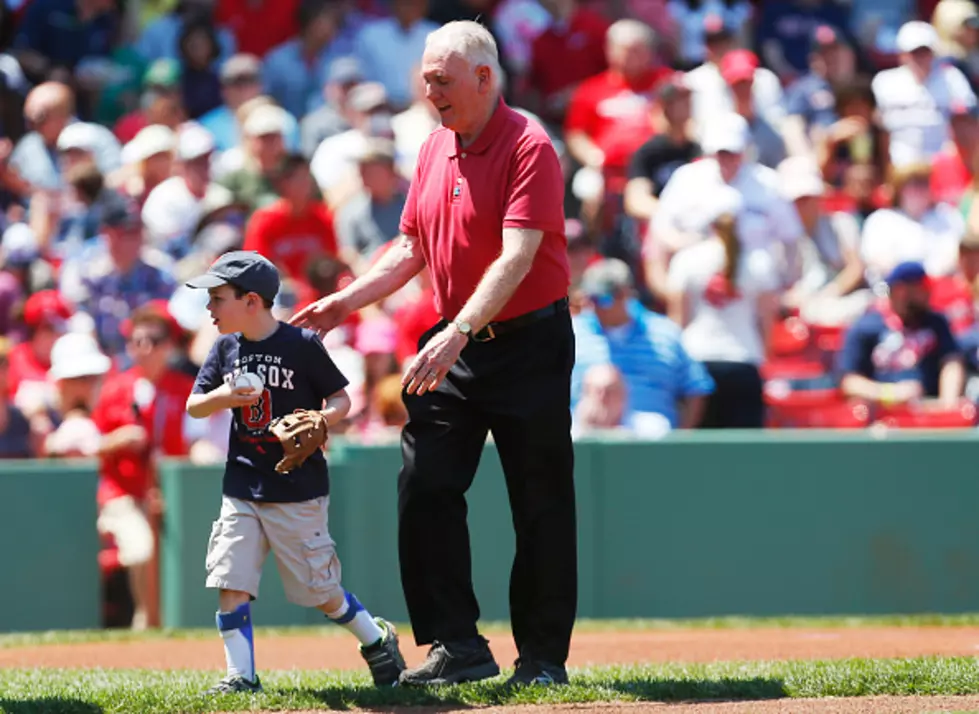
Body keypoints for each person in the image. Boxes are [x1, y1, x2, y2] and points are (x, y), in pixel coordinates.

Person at [291, 20, 577, 688]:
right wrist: (343, 303)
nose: (429, 90)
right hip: (455, 342)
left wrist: (458, 330)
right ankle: (457, 644)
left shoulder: (529, 143)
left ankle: (541, 659)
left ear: (485, 77)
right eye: (424, 79)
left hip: (526, 342)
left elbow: (518, 256)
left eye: (441, 80)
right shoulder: (430, 148)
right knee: (424, 485)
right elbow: (412, 247)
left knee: (538, 501)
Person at [184, 250, 405, 694]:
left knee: (320, 591)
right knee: (230, 578)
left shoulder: (301, 345)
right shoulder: (226, 347)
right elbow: (194, 404)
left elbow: (341, 399)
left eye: (217, 297)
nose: (209, 307)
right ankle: (240, 677)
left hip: (297, 489)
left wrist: (324, 420)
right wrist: (225, 395)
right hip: (242, 484)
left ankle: (377, 639)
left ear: (251, 301)